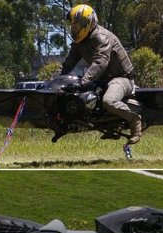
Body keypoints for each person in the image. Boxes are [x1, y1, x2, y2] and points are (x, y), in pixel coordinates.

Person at [61, 4, 142, 144]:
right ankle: (109, 126)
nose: (73, 29)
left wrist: (83, 82)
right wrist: (58, 82)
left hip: (122, 78)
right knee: (82, 97)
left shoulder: (101, 37)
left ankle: (135, 121)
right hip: (102, 79)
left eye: (76, 25)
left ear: (87, 23)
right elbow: (68, 64)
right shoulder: (79, 41)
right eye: (72, 26)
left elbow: (101, 62)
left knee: (108, 101)